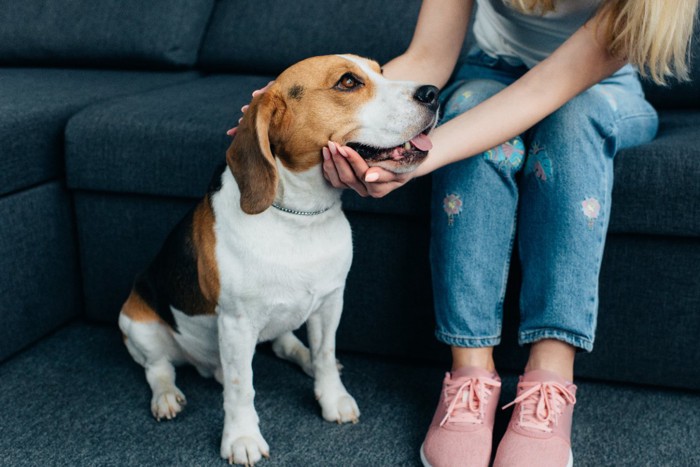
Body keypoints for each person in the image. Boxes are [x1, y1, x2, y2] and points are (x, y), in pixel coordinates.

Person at [319, 1, 698, 466]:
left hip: (601, 88)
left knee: (571, 121)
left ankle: (549, 379)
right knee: (470, 118)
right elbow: (427, 58)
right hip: (488, 71)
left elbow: (545, 92)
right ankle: (469, 374)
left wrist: (414, 161)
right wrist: (316, 117)